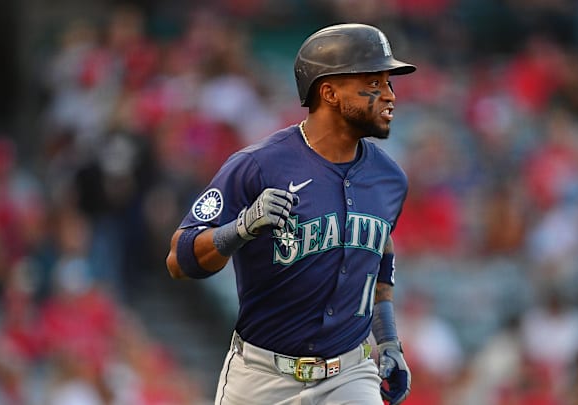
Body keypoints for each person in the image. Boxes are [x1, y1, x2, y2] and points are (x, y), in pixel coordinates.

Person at [166, 23, 416, 405]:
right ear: (329, 92)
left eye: (389, 82)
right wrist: (241, 228)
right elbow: (179, 260)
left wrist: (389, 341)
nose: (389, 95)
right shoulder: (258, 165)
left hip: (349, 373)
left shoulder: (389, 178)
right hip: (262, 376)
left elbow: (380, 257)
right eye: (374, 82)